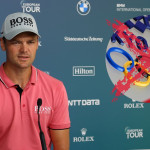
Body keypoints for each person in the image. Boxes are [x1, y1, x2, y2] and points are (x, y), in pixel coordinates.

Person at [0, 12, 71, 150]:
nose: (24, 49)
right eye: (16, 42)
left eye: (30, 42)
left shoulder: (55, 88)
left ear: (37, 44)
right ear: (3, 44)